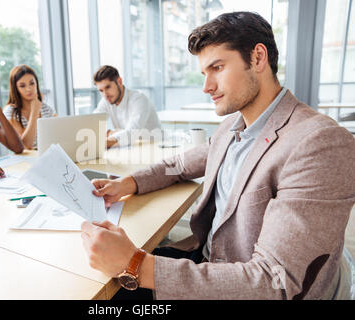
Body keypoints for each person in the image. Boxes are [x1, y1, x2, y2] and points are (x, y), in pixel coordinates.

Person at [80, 12, 355, 300]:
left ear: (258, 58)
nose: (206, 86)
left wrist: (136, 264)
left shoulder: (320, 143)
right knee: (95, 284)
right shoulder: (232, 127)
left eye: (218, 67)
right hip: (205, 261)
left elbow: (275, 282)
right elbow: (179, 165)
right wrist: (127, 183)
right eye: (204, 73)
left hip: (238, 286)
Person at [93, 65, 161, 148]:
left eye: (108, 87)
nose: (105, 94)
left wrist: (101, 143)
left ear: (119, 82)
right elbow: (93, 121)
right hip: (132, 148)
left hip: (155, 147)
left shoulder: (139, 99)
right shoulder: (106, 100)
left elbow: (132, 133)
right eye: (101, 90)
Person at [3, 65, 56, 150]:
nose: (29, 89)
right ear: (15, 88)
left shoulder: (47, 109)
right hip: (25, 159)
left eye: (32, 83)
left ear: (36, 84)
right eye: (22, 86)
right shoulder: (10, 112)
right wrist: (35, 112)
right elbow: (26, 145)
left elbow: (57, 137)